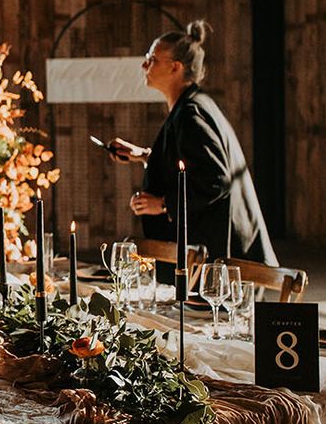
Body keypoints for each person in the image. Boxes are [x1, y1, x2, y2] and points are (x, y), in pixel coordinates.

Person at [109, 19, 277, 266]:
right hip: (214, 250)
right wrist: (145, 155)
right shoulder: (192, 105)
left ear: (175, 67)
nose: (144, 64)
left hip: (223, 258)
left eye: (152, 59)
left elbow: (215, 180)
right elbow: (194, 160)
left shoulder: (190, 113)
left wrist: (163, 204)